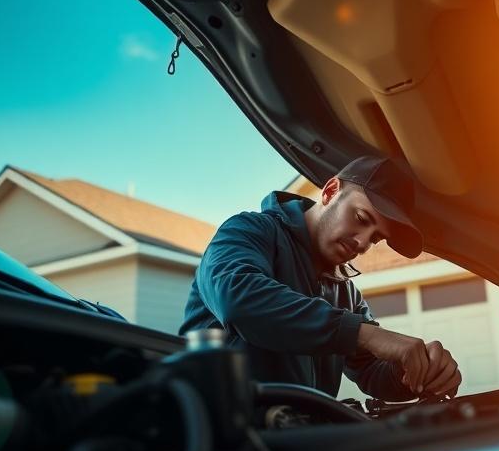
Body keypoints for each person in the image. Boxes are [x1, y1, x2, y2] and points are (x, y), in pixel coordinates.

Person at [180, 156, 462, 400]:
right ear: (330, 191)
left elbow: (370, 370)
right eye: (362, 218)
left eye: (376, 238)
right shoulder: (250, 231)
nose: (363, 243)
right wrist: (364, 333)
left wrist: (418, 371)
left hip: (296, 444)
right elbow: (237, 298)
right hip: (211, 442)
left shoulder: (346, 293)